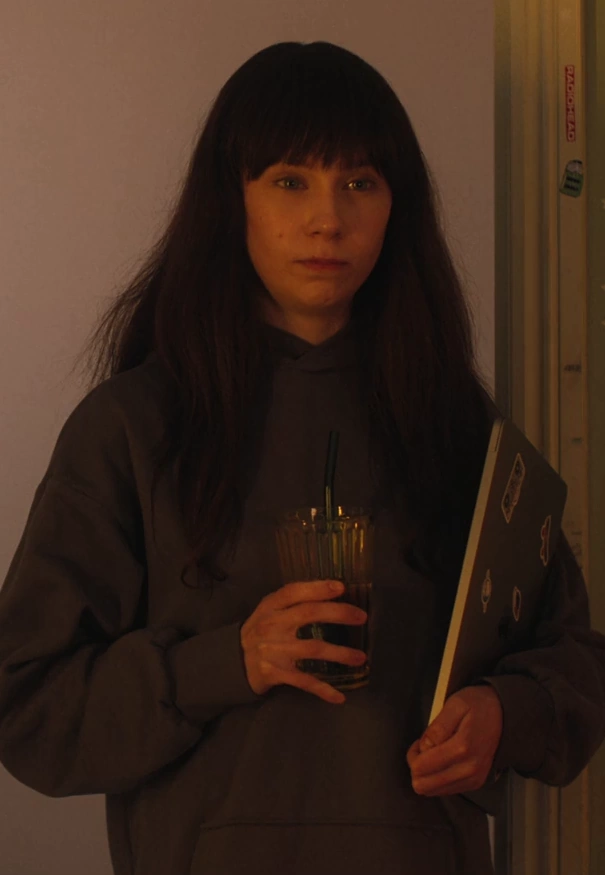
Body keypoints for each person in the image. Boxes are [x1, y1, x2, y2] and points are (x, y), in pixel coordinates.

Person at [0, 40, 604, 875]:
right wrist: (224, 662)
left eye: (359, 182)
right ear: (232, 200)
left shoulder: (457, 427)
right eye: (290, 181)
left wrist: (508, 713)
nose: (328, 219)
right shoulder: (131, 429)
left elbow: (575, 660)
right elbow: (26, 703)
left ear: (396, 207)